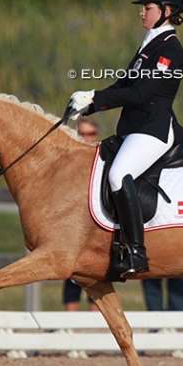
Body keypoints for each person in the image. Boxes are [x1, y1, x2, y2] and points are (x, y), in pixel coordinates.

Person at [68, 0, 183, 279]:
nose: (141, 12)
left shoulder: (169, 50)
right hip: (134, 128)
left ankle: (136, 252)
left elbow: (140, 94)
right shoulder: (149, 45)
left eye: (147, 7)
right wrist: (90, 103)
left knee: (118, 175)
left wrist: (97, 97)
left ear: (167, 9)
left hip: (153, 129)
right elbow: (124, 84)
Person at [63, 118, 100, 312]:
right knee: (71, 279)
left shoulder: (101, 159)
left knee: (96, 281)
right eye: (82, 134)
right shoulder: (69, 160)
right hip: (74, 228)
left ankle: (94, 328)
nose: (86, 138)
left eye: (90, 134)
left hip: (95, 229)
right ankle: (70, 327)